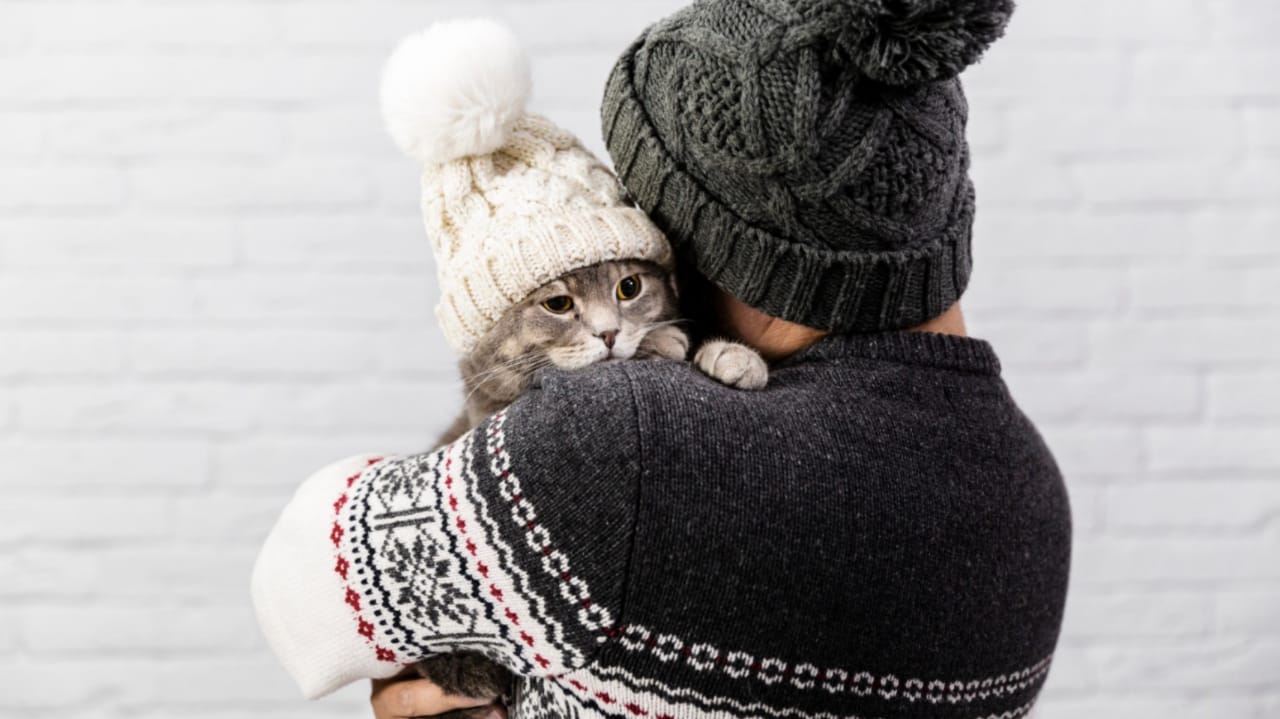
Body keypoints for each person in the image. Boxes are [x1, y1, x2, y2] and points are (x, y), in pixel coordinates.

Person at [251, 1, 1072, 718]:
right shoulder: (1035, 496)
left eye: (653, 226)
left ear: (748, 259)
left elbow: (303, 584)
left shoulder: (635, 442)